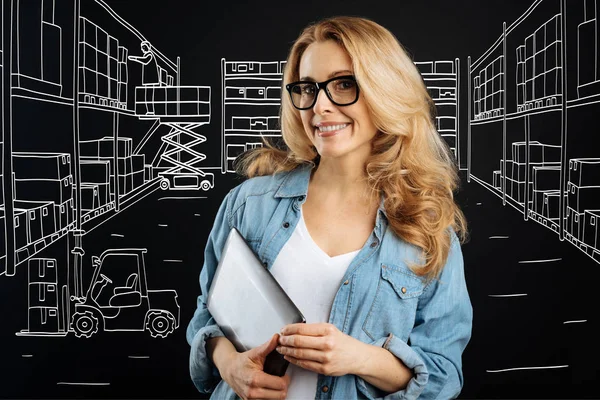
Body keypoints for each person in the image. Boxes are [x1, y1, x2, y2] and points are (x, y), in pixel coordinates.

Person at [186, 15, 472, 400]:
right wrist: (229, 366)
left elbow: (443, 375)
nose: (319, 107)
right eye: (307, 88)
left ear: (383, 90)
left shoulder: (428, 228)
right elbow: (208, 313)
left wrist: (359, 358)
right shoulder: (248, 205)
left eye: (343, 84)